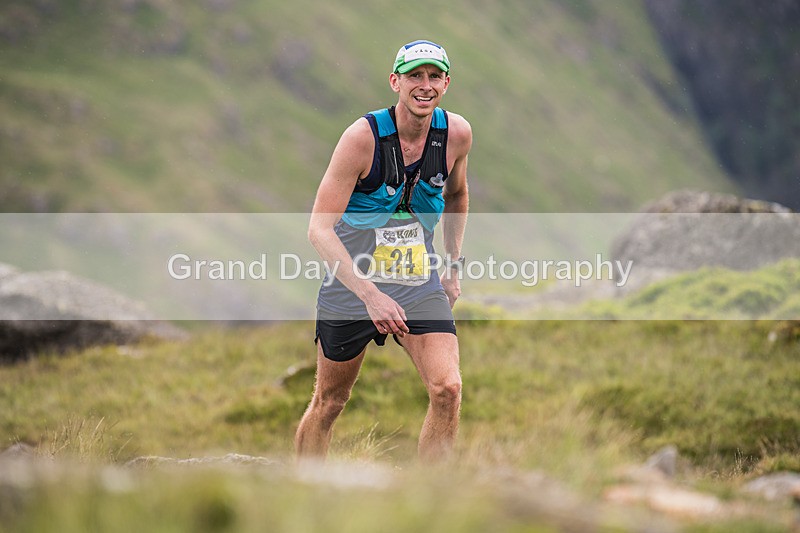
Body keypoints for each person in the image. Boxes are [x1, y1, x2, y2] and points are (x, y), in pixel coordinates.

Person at [295, 39, 472, 462]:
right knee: (330, 402)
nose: (424, 85)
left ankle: (431, 503)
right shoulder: (361, 139)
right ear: (396, 81)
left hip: (416, 279)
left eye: (433, 76)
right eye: (414, 75)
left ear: (446, 83)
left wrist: (452, 265)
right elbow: (318, 230)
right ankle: (303, 488)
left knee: (447, 389)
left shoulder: (456, 135)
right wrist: (370, 296)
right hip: (351, 282)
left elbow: (458, 194)